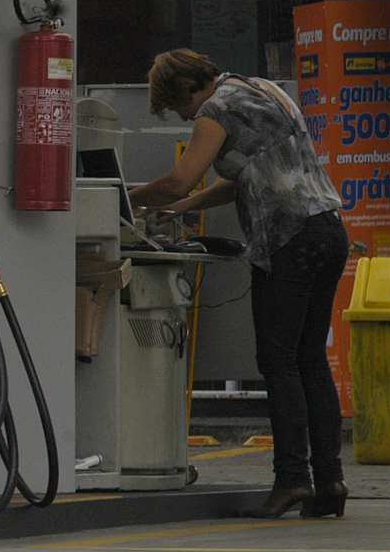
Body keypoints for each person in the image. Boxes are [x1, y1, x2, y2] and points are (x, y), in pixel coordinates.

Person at [129, 49, 348, 520]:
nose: (184, 117)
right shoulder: (262, 89)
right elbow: (245, 176)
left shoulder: (215, 108)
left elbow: (180, 179)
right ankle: (330, 481)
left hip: (289, 238)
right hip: (327, 231)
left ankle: (292, 481)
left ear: (188, 89)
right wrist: (184, 208)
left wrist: (122, 197)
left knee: (278, 363)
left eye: (178, 106)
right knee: (310, 360)